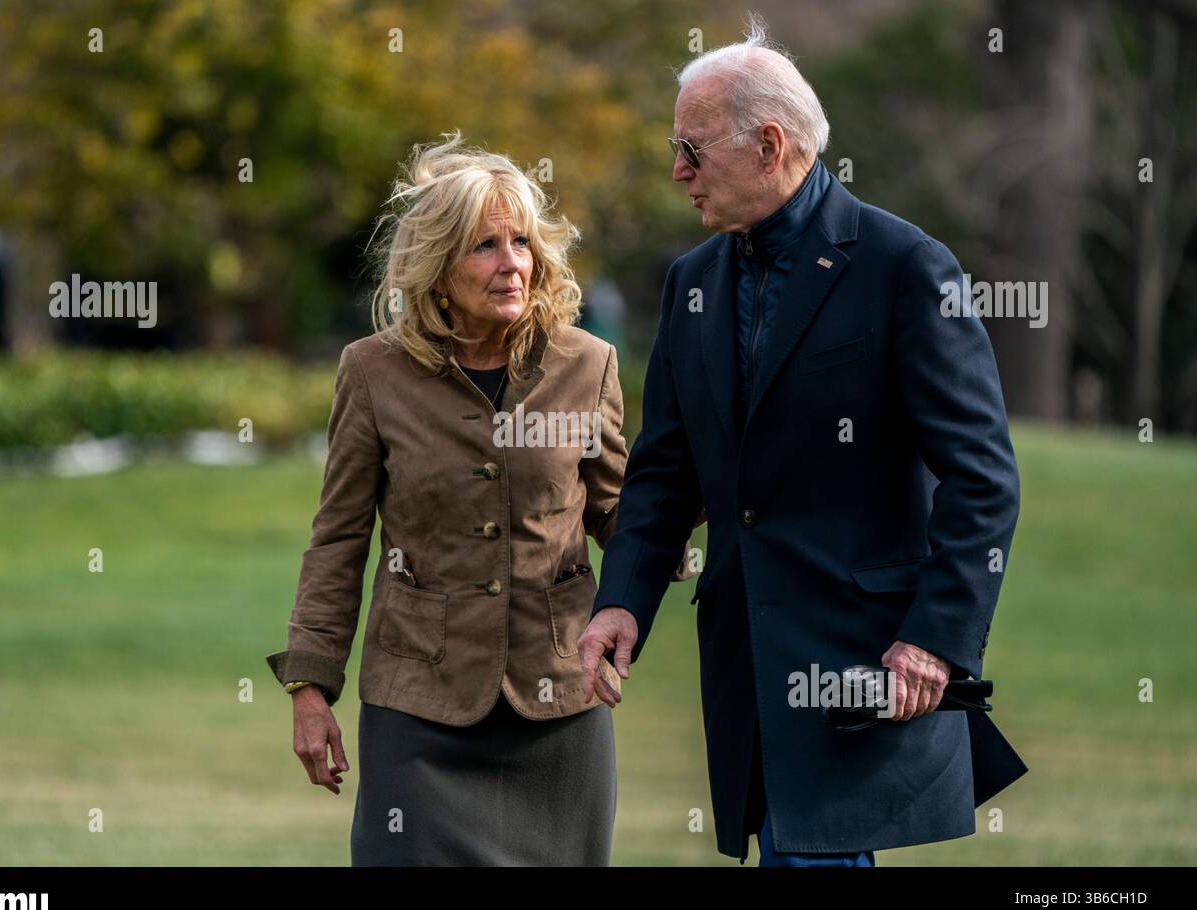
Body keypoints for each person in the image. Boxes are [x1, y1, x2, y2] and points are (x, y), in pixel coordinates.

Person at [577, 16, 1027, 866]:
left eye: (692, 149)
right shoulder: (692, 282)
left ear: (770, 144)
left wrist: (938, 635)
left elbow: (983, 478)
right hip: (746, 659)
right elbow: (665, 472)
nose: (677, 171)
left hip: (863, 657)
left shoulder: (905, 266)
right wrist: (622, 601)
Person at [266, 132, 631, 865]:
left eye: (521, 241)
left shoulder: (587, 365)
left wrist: (710, 492)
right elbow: (338, 537)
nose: (512, 265)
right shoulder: (373, 372)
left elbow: (621, 518)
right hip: (418, 705)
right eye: (485, 247)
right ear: (435, 268)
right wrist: (310, 688)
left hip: (558, 704)